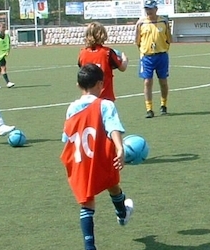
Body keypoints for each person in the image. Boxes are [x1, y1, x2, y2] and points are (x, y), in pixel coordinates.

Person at [62, 63, 135, 250]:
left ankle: (90, 246)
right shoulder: (105, 104)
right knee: (112, 184)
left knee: (87, 203)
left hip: (80, 160)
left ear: (79, 86)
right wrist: (120, 148)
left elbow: (66, 137)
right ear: (101, 84)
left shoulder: (71, 108)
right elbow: (113, 128)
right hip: (100, 156)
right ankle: (122, 214)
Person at [135, 0, 172, 118]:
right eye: (146, 9)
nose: (148, 11)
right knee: (147, 82)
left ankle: (163, 105)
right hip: (147, 57)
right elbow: (137, 41)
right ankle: (149, 109)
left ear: (156, 9)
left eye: (150, 8)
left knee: (163, 82)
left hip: (162, 56)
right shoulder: (141, 23)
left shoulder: (163, 21)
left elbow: (169, 38)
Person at [78, 21, 128, 101]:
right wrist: (125, 59)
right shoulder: (108, 52)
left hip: (88, 98)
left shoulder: (82, 53)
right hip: (105, 97)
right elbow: (122, 68)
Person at [0, 21, 16, 89]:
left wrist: (8, 51)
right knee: (3, 68)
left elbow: (8, 44)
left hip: (3, 54)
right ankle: (8, 82)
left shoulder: (7, 36)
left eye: (5, 27)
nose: (4, 28)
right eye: (2, 27)